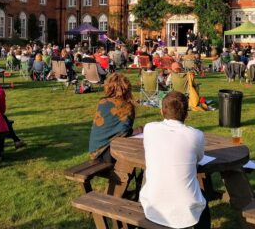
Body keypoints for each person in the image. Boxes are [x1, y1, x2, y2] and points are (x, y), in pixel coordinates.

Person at [140, 91, 210, 228]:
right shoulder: (196, 135)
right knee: (203, 199)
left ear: (162, 111)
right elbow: (200, 158)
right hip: (185, 210)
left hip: (152, 203)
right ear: (187, 114)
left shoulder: (149, 129)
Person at [88, 73, 135, 161]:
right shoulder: (127, 106)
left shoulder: (102, 102)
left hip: (95, 150)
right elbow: (125, 131)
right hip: (109, 152)